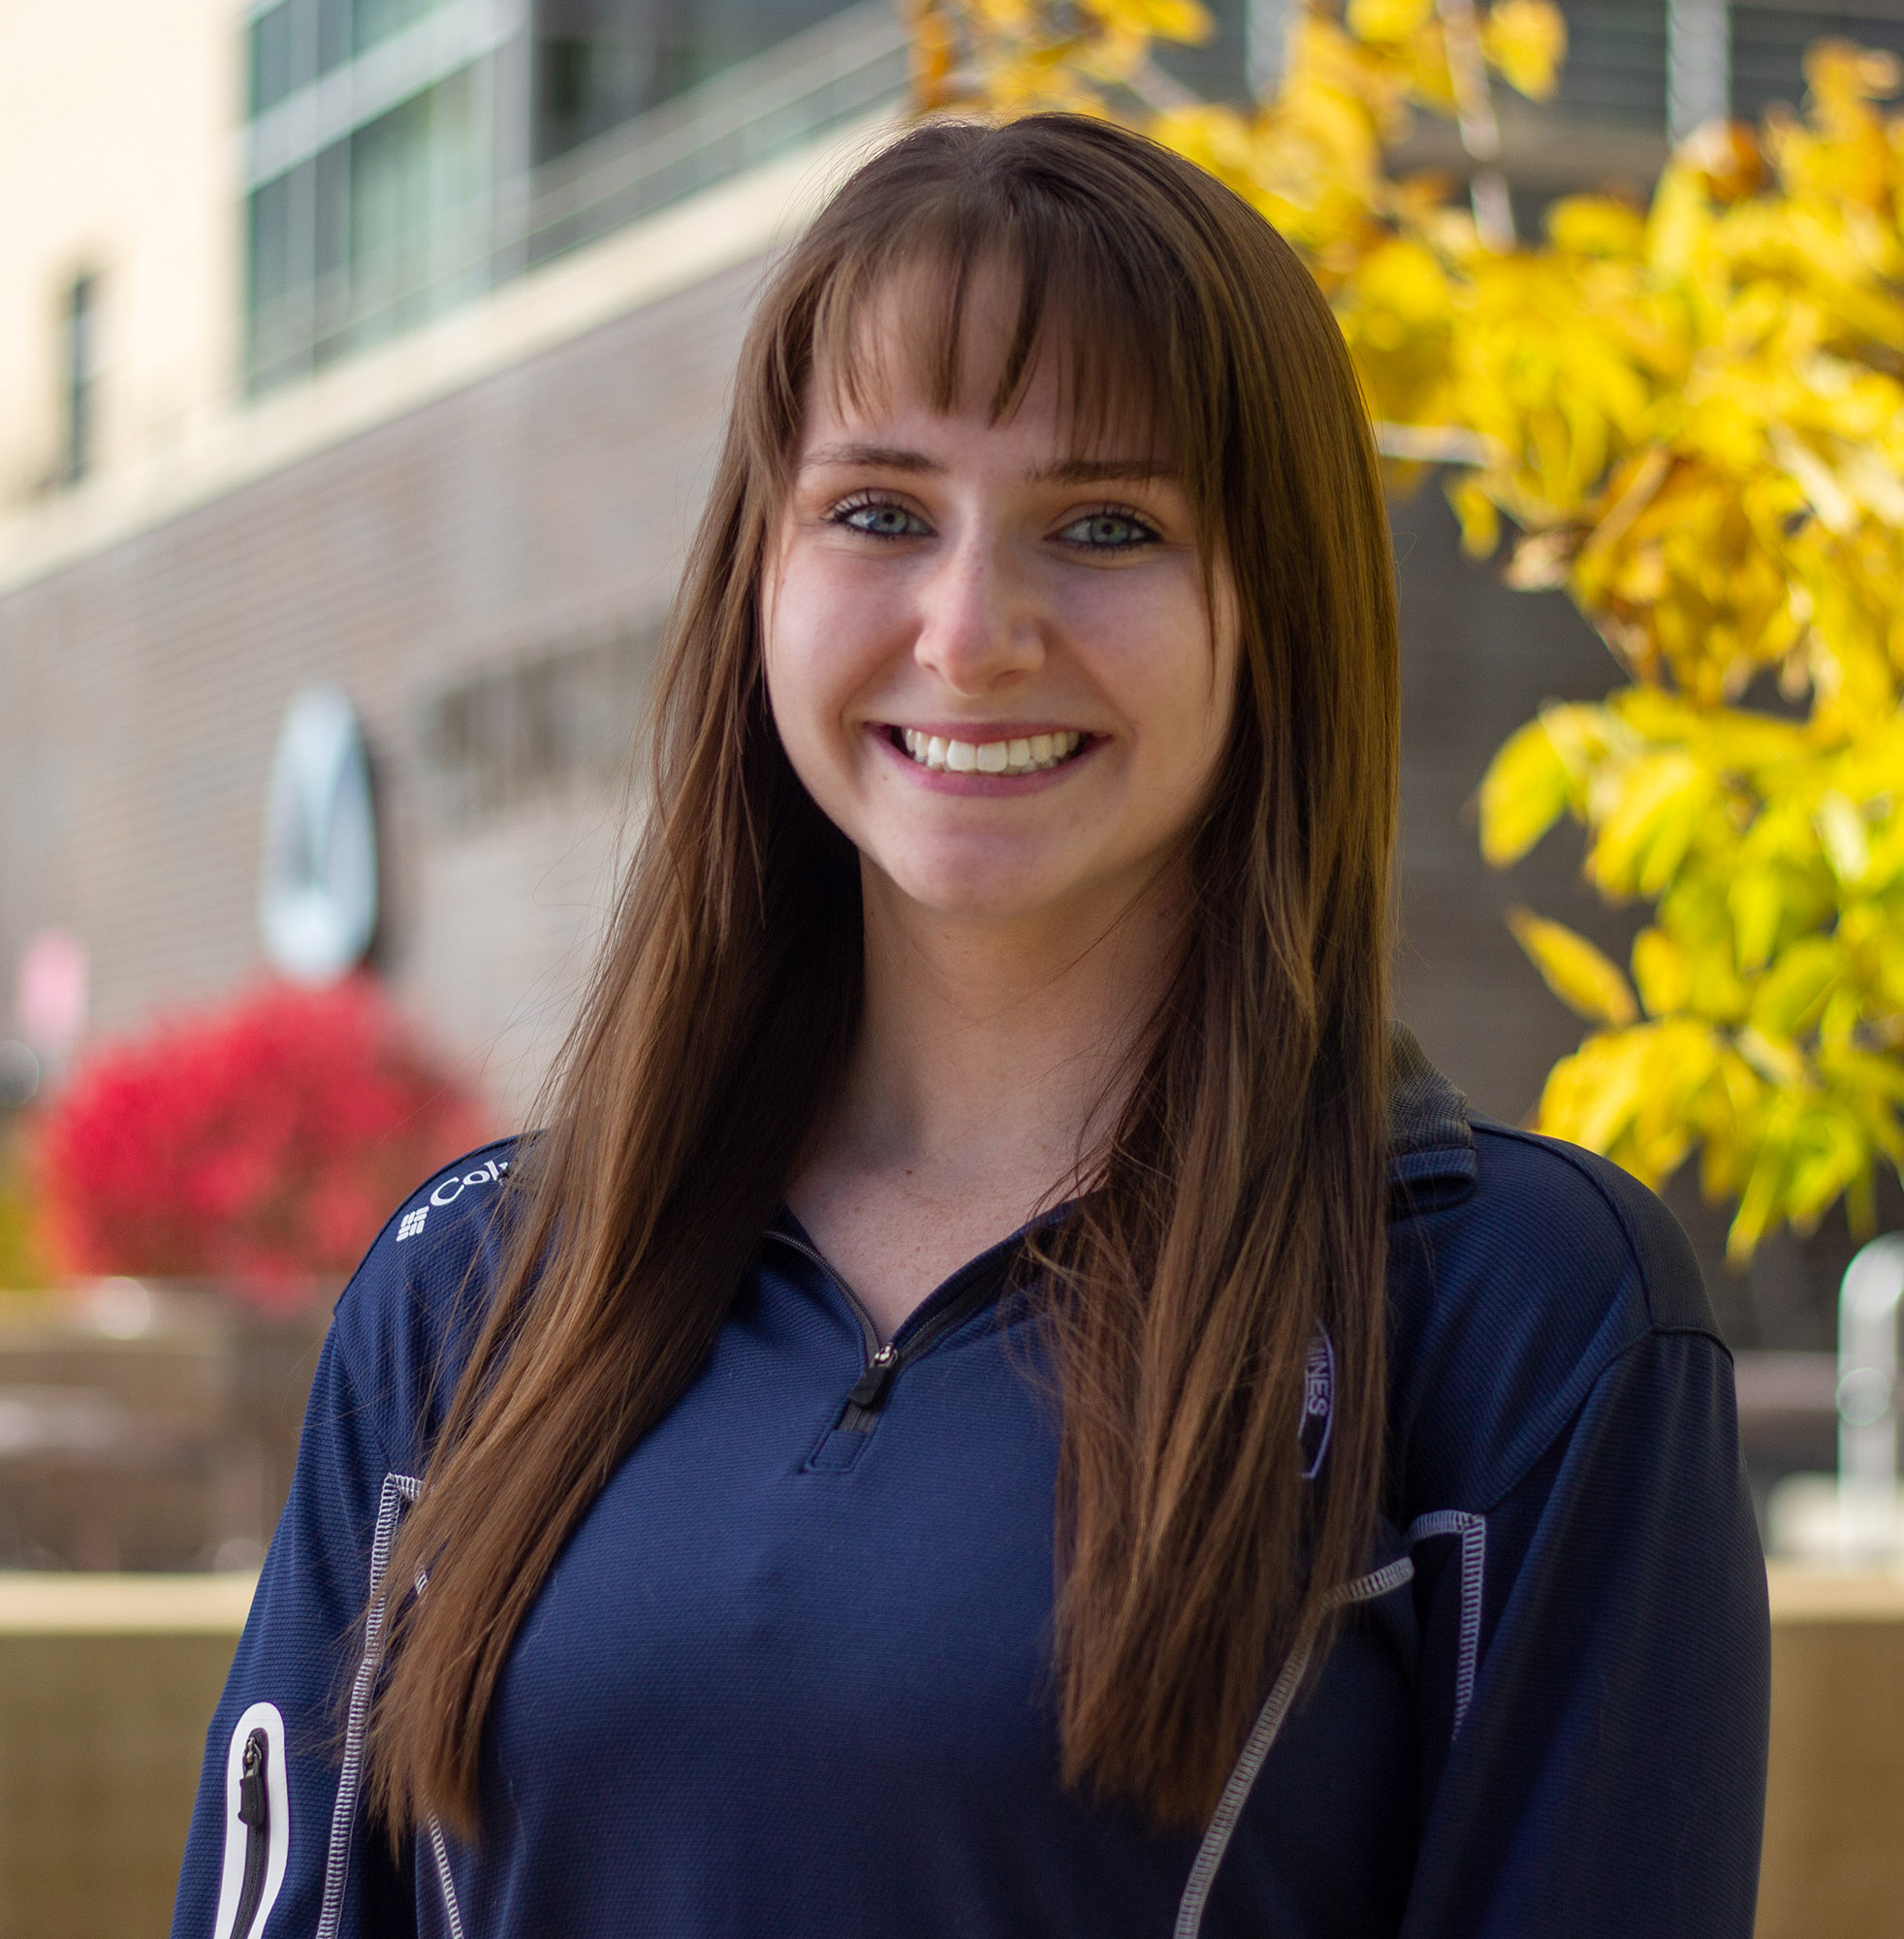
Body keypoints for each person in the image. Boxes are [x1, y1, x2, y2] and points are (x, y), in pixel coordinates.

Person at [172, 113, 1768, 1939]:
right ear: (760, 580)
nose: (972, 627)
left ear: (1279, 616)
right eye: (879, 512)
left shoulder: (1522, 1323)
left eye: (1107, 524)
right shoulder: (474, 1294)